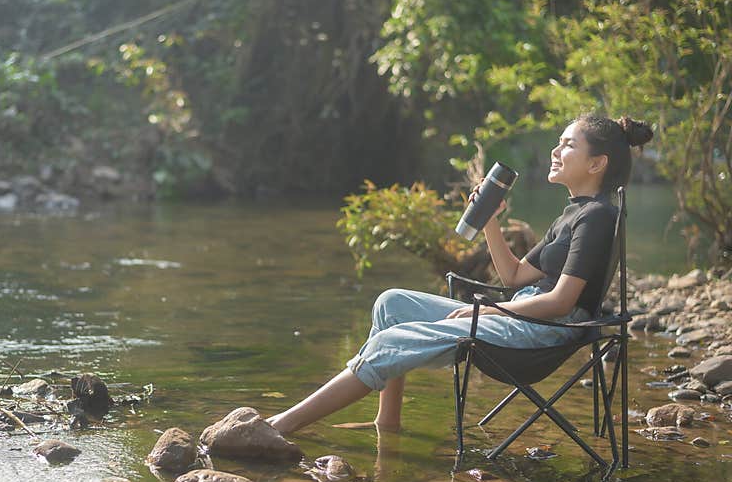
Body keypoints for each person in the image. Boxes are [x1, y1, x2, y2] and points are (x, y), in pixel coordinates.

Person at [266, 113, 653, 435]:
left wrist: (486, 312)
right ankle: (387, 422)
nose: (555, 150)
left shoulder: (598, 216)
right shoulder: (575, 211)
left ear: (597, 163)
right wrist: (489, 222)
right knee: (392, 305)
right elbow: (514, 277)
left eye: (568, 144)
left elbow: (561, 301)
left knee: (392, 341)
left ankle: (282, 425)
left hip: (541, 332)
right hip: (523, 316)